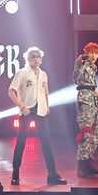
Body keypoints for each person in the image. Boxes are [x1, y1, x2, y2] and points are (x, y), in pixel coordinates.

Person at [7, 46, 65, 186]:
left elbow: (45, 92)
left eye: (38, 56)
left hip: (41, 110)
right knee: (21, 141)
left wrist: (47, 106)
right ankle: (15, 174)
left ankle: (52, 174)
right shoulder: (22, 73)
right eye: (33, 57)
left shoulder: (43, 74)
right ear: (28, 59)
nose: (36, 59)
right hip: (27, 110)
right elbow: (11, 92)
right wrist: (22, 107)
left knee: (46, 141)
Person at [74, 42, 98, 177]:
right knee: (86, 133)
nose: (94, 55)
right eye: (91, 52)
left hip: (93, 102)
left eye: (96, 53)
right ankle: (82, 166)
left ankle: (88, 163)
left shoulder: (93, 68)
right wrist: (81, 60)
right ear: (86, 53)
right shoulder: (82, 64)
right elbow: (76, 75)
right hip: (85, 102)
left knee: (94, 135)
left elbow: (93, 86)